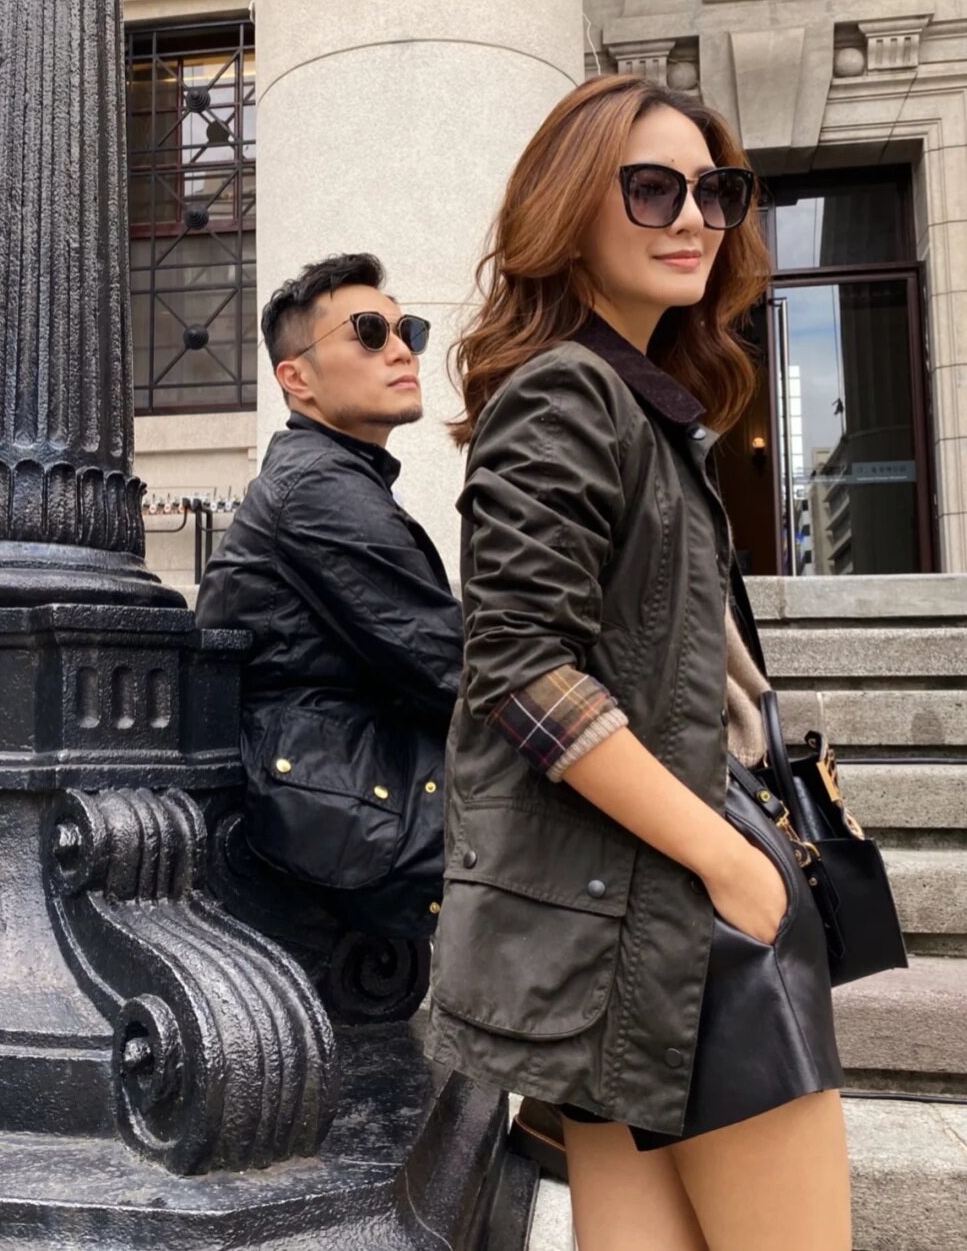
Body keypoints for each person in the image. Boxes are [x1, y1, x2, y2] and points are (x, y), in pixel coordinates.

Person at [423, 76, 850, 1251]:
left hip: (629, 922)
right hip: (676, 912)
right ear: (570, 210)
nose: (694, 217)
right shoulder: (571, 391)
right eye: (653, 188)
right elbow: (520, 667)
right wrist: (731, 864)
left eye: (717, 191)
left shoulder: (633, 401)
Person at [196, 252, 462, 942]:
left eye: (408, 331)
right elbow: (452, 669)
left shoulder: (337, 478)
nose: (401, 350)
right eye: (369, 333)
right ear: (297, 378)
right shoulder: (319, 489)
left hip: (348, 800)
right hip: (342, 821)